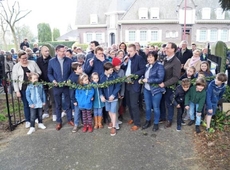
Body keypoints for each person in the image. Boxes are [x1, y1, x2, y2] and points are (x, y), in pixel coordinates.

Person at [12, 51, 41, 128]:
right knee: (26, 104)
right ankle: (28, 120)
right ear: (19, 58)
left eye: (26, 57)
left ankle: (36, 118)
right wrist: (17, 91)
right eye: (23, 58)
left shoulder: (32, 63)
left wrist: (33, 74)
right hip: (24, 88)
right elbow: (14, 80)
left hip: (34, 87)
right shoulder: (16, 67)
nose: (25, 59)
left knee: (35, 102)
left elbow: (39, 72)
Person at [48, 45, 73, 131]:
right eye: (62, 51)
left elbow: (72, 73)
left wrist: (69, 80)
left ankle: (70, 119)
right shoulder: (52, 61)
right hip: (57, 86)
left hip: (66, 86)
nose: (64, 53)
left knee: (68, 103)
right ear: (57, 51)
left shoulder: (69, 60)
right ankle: (59, 121)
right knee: (58, 104)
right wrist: (53, 81)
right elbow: (49, 73)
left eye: (64, 51)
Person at [122, 44, 146, 131]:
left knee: (134, 104)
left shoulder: (139, 58)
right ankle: (132, 118)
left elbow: (143, 69)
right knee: (129, 103)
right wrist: (124, 62)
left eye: (131, 51)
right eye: (128, 51)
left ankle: (137, 123)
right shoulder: (127, 58)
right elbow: (122, 67)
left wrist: (134, 75)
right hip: (127, 84)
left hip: (134, 84)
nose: (129, 53)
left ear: (135, 51)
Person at [140, 51, 165, 131]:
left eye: (151, 57)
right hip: (147, 90)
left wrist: (148, 80)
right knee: (147, 107)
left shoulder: (159, 66)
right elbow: (144, 76)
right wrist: (141, 79)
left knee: (156, 107)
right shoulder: (147, 66)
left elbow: (160, 79)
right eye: (148, 57)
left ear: (155, 57)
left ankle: (156, 123)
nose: (149, 59)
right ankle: (148, 121)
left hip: (156, 90)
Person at [159, 42, 181, 128]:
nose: (165, 49)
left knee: (169, 103)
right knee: (161, 102)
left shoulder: (176, 62)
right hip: (162, 85)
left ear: (173, 49)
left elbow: (176, 77)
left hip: (169, 86)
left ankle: (169, 119)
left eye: (168, 48)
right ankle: (163, 117)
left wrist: (164, 84)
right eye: (165, 48)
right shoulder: (165, 59)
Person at [100, 62, 121, 136]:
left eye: (112, 70)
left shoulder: (115, 76)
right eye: (111, 70)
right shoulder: (102, 77)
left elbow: (118, 86)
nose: (112, 71)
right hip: (106, 98)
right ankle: (113, 121)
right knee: (109, 110)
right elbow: (100, 87)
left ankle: (114, 126)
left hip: (113, 98)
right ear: (106, 70)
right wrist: (101, 95)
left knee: (113, 111)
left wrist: (113, 95)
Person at [36, 46, 56, 121]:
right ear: (41, 52)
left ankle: (54, 113)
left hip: (51, 81)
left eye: (48, 51)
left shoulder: (52, 59)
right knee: (44, 98)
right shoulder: (38, 60)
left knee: (53, 97)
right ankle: (46, 112)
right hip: (42, 81)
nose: (47, 52)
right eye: (45, 51)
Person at [68, 62, 83, 133]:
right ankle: (76, 124)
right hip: (77, 98)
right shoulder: (72, 78)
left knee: (84, 111)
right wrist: (73, 100)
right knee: (77, 112)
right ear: (75, 70)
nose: (81, 69)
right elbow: (71, 91)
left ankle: (84, 122)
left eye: (81, 67)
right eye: (79, 68)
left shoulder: (83, 75)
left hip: (84, 97)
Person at [112, 57, 125, 127]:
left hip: (120, 92)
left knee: (119, 105)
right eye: (117, 65)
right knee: (114, 107)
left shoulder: (122, 71)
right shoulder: (112, 72)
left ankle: (116, 120)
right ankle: (115, 122)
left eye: (119, 65)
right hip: (114, 93)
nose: (118, 67)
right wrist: (116, 93)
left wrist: (122, 93)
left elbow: (123, 83)